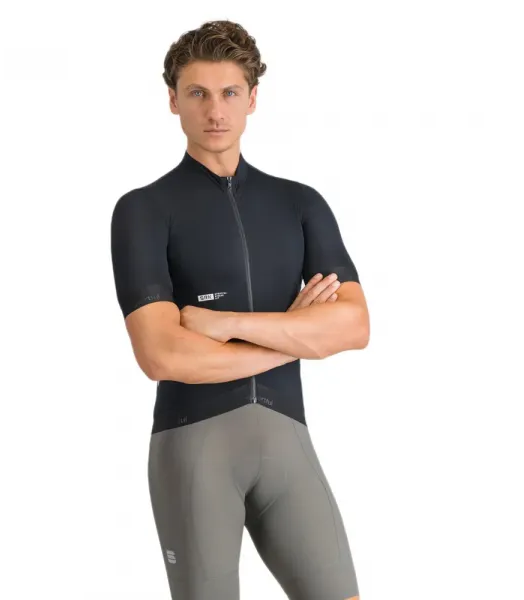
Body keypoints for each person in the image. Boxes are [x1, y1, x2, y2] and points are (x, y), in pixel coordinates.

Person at [110, 19, 369, 600]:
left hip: (288, 444)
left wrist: (225, 326)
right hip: (193, 449)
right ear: (173, 100)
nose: (215, 111)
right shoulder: (143, 210)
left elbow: (354, 325)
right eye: (197, 93)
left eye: (229, 92)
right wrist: (297, 336)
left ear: (252, 98)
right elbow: (162, 354)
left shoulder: (300, 204)